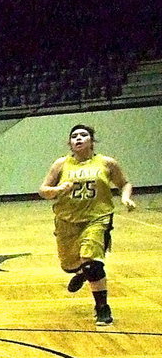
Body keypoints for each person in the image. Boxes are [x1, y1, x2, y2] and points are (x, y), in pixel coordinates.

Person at [38, 123, 135, 326]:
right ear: (70, 142)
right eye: (74, 136)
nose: (79, 138)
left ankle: (102, 308)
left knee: (91, 259)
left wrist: (126, 198)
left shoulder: (106, 163)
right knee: (69, 265)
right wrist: (57, 190)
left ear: (91, 140)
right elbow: (43, 190)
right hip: (67, 220)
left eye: (83, 135)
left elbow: (124, 183)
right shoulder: (61, 164)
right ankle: (81, 271)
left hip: (97, 218)